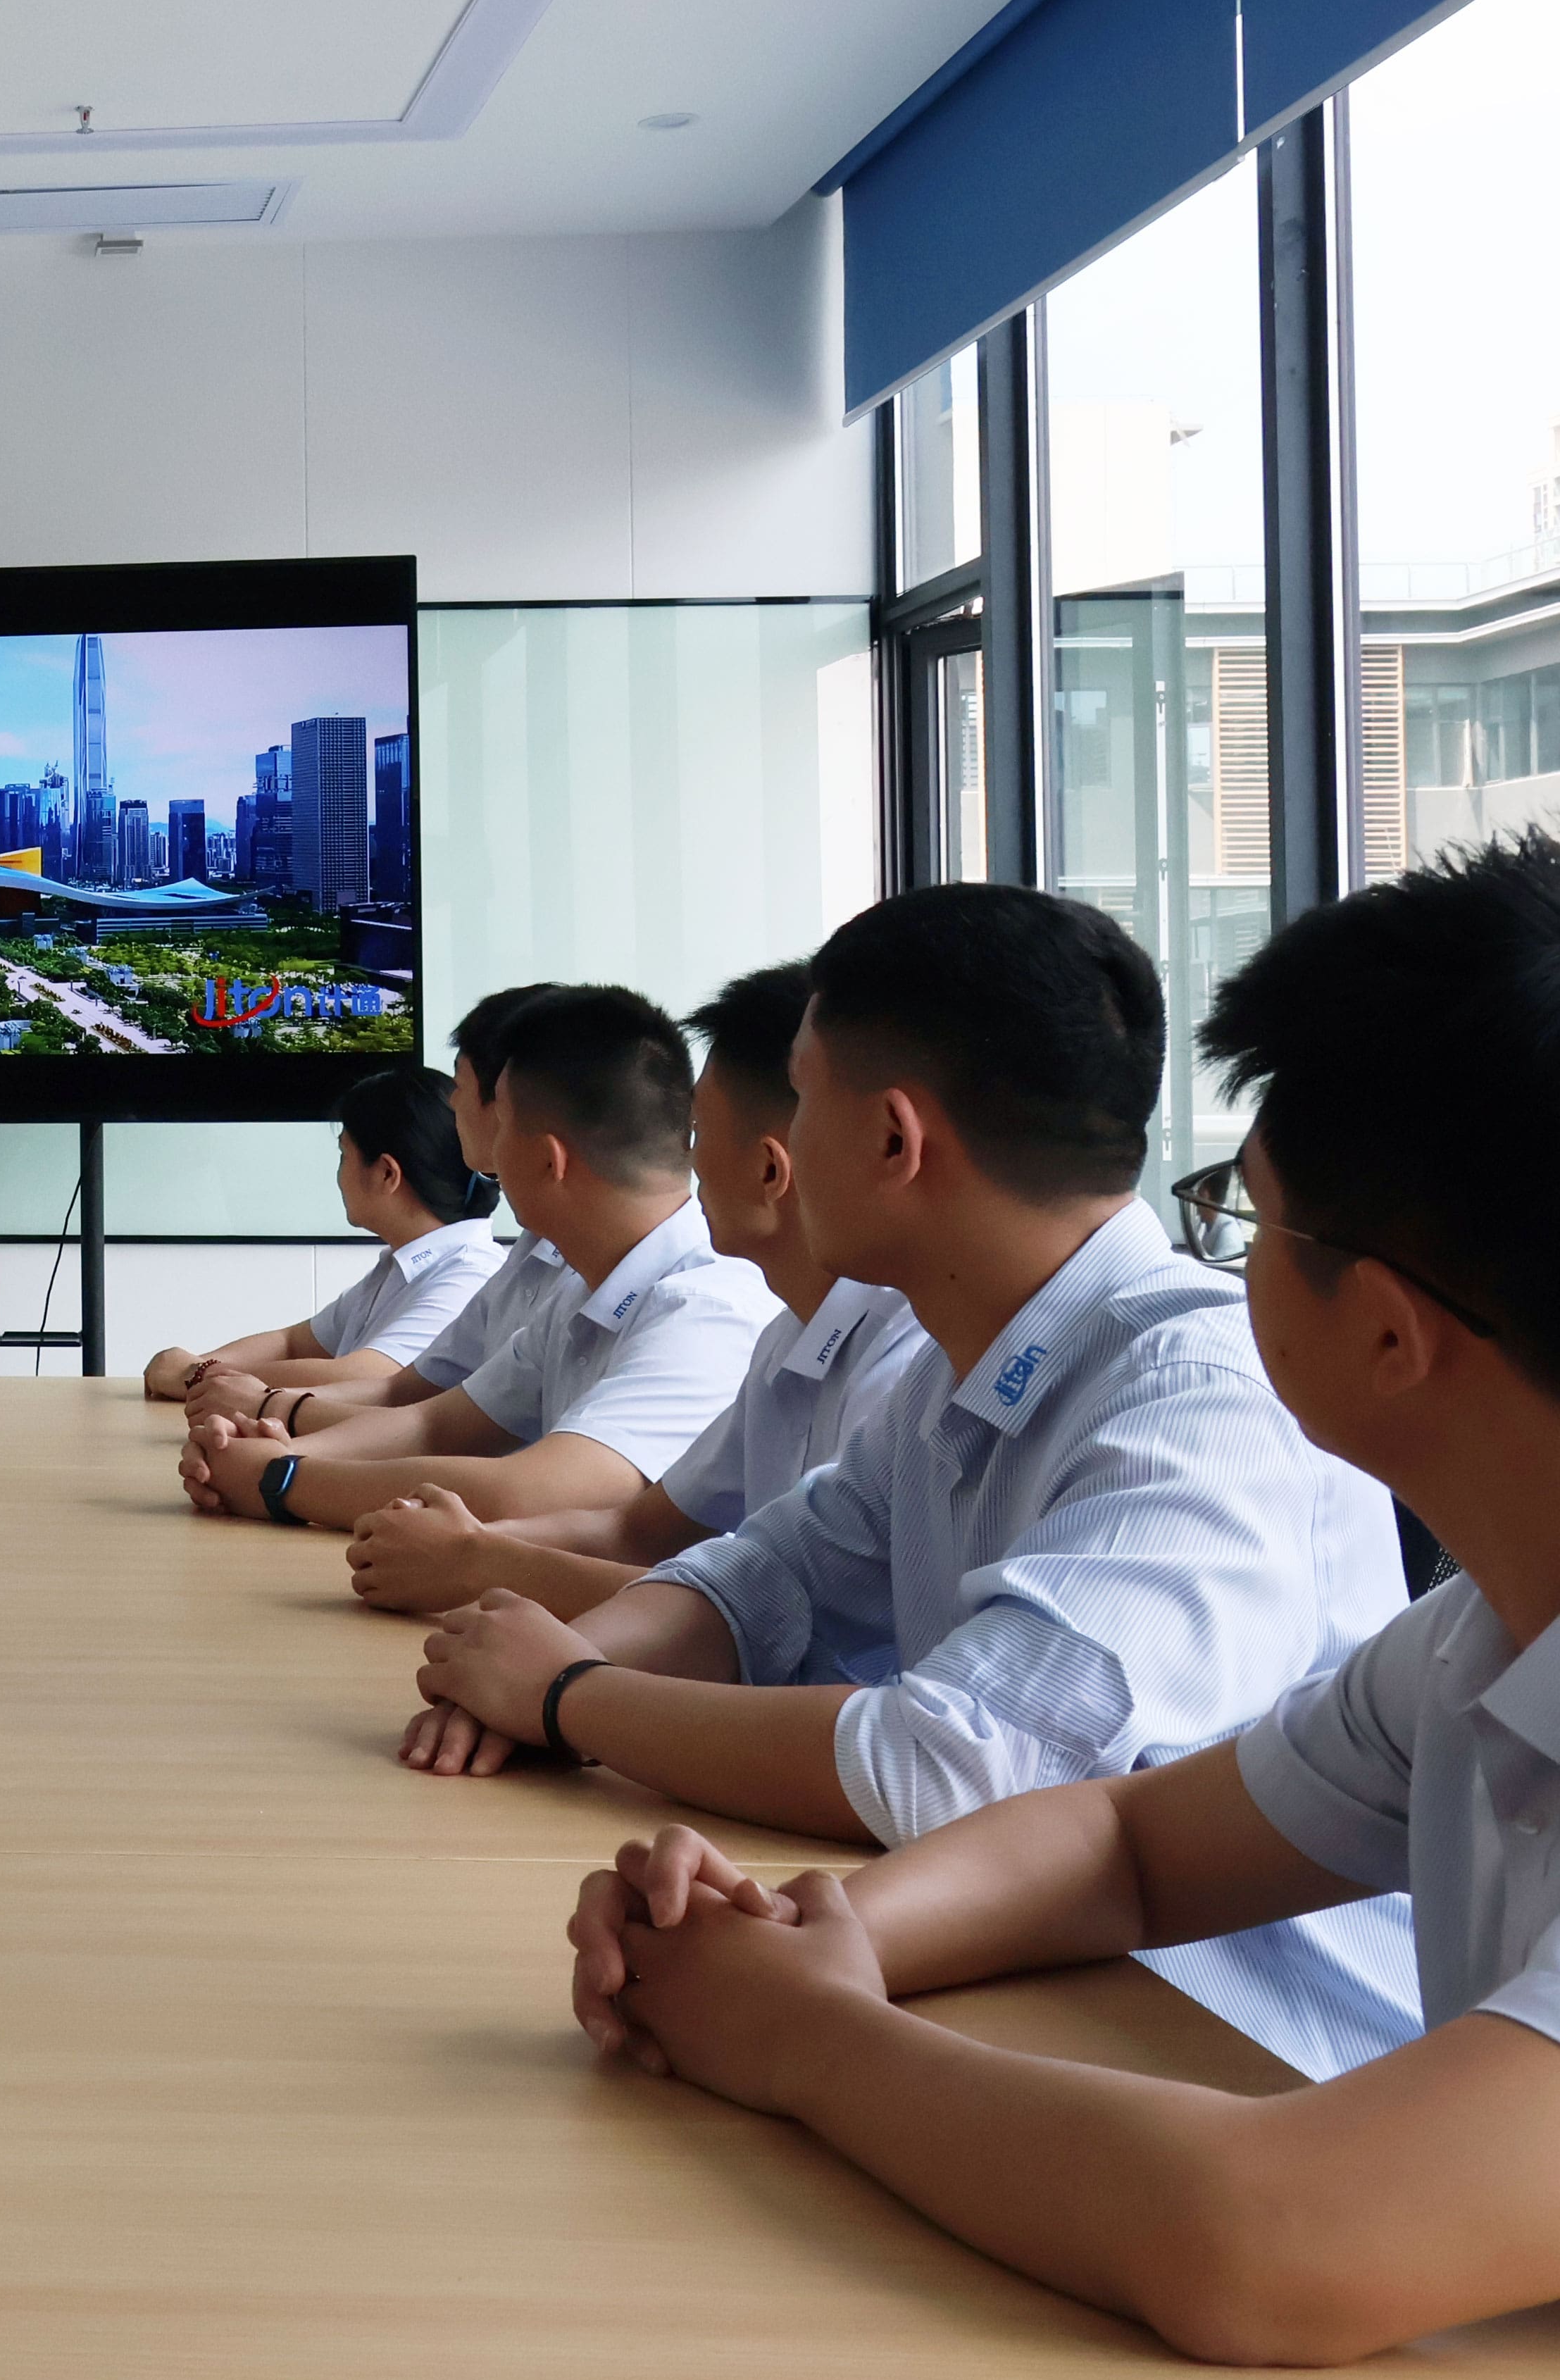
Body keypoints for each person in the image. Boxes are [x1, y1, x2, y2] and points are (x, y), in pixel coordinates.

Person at [559, 835, 1560, 2360]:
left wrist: (803, 2034)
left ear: (1387, 1334)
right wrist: (800, 1934)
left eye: (1246, 1217)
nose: (1224, 1262)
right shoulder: (1477, 1637)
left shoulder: (1186, 1382)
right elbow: (1122, 1844)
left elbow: (1272, 2237)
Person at [407, 883, 1418, 2081]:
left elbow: (955, 1762)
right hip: (1028, 1983)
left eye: (803, 1093)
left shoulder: (1196, 1392)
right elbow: (756, 1581)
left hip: (1249, 2050)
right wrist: (539, 1675)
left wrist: (571, 1694)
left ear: (893, 1139)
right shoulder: (958, 1368)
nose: (777, 1147)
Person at [342, 963, 932, 1624]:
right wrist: (475, 1558)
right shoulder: (786, 1338)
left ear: (772, 1168)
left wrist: (485, 1568)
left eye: (699, 1133)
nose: (689, 1163)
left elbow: (768, 1621)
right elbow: (646, 1534)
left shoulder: (720, 1311)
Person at [180, 986, 778, 1533]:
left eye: (505, 1123)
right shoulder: (579, 1290)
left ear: (548, 1160)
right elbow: (437, 1423)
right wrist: (271, 1451)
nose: (487, 1146)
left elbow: (530, 1490)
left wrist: (281, 1478)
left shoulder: (704, 1308)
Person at [182, 983, 571, 1431]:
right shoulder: (516, 1263)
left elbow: (383, 1386)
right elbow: (410, 1403)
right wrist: (258, 1418)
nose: (455, 1103)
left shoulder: (475, 1271)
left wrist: (218, 1382)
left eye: (462, 1087)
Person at [140, 1064, 504, 1406]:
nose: (339, 1174)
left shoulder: (469, 1275)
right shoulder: (403, 1266)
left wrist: (197, 1375)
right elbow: (292, 1343)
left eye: (344, 1154)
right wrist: (197, 1366)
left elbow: (366, 1377)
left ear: (386, 1174)